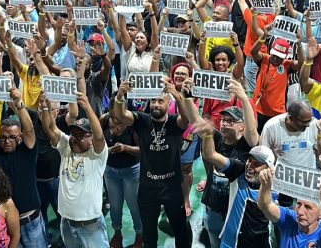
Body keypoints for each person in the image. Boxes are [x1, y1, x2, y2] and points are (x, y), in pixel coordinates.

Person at [111, 78, 199, 248]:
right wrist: (120, 96)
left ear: (168, 104)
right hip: (148, 187)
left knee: (180, 228)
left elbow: (185, 118)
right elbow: (121, 114)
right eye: (153, 101)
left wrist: (177, 97)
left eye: (160, 101)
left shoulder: (174, 122)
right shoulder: (142, 120)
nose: (156, 104)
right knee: (149, 232)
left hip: (172, 186)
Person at [0, 85, 48, 248]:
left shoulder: (27, 150)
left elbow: (29, 128)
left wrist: (19, 103)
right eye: (3, 137)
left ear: (19, 136)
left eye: (12, 137)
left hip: (30, 221)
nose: (7, 141)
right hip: (5, 223)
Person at [38, 93, 109, 248]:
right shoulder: (66, 148)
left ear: (91, 139)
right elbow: (50, 129)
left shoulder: (96, 155)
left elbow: (99, 137)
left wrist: (87, 107)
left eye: (80, 135)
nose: (74, 138)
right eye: (73, 134)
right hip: (66, 222)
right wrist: (45, 108)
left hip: (90, 225)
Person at [199, 80, 259, 248]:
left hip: (234, 208)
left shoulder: (246, 147)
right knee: (213, 239)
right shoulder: (218, 137)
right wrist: (186, 97)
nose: (225, 123)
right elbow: (196, 120)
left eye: (230, 121)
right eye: (224, 120)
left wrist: (244, 98)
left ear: (241, 126)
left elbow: (252, 130)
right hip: (213, 205)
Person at [257, 167, 321, 248]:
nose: (300, 212)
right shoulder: (289, 218)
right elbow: (265, 205)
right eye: (299, 204)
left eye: (308, 207)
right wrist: (265, 184)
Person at [101, 110, 143, 248]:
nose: (116, 117)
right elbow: (97, 140)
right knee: (115, 205)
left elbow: (142, 149)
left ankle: (139, 234)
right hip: (110, 171)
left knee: (134, 205)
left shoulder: (131, 122)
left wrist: (125, 148)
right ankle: (117, 232)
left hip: (131, 171)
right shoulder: (104, 119)